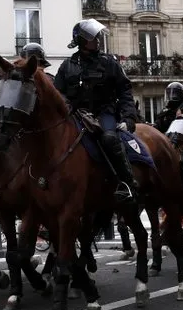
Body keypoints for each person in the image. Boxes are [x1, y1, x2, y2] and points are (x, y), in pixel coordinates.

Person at [54, 19, 140, 203]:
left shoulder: (109, 63)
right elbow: (57, 93)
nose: (98, 40)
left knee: (109, 138)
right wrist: (65, 104)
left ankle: (126, 183)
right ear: (83, 40)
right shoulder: (67, 66)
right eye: (94, 37)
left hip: (104, 113)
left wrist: (129, 117)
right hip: (76, 115)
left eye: (98, 36)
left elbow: (125, 91)